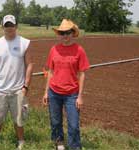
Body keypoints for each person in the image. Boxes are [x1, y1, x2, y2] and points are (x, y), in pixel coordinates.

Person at [0, 14, 33, 149]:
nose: (9, 28)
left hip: (18, 89)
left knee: (19, 119)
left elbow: (30, 64)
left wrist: (25, 87)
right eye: (6, 25)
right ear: (2, 26)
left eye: (11, 25)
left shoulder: (25, 43)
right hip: (0, 90)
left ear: (16, 26)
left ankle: (21, 142)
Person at [42, 19, 90, 150]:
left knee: (73, 124)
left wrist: (80, 96)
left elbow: (82, 74)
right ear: (59, 34)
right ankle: (59, 143)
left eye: (68, 32)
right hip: (54, 92)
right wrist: (46, 92)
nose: (65, 36)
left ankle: (74, 146)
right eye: (62, 33)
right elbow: (50, 71)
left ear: (73, 33)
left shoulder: (79, 50)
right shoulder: (54, 50)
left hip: (72, 94)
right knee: (56, 121)